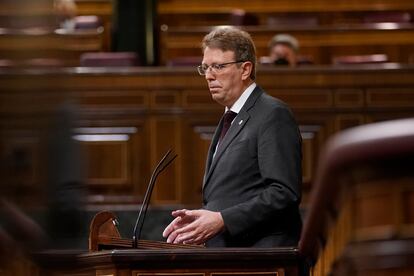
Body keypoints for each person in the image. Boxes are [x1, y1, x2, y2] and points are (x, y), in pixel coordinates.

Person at [162, 26, 302, 247]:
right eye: (205, 67)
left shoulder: (272, 113)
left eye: (218, 66)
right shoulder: (231, 116)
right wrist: (201, 220)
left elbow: (283, 193)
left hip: (263, 258)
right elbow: (232, 192)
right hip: (232, 255)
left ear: (245, 69)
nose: (208, 76)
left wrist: (222, 220)